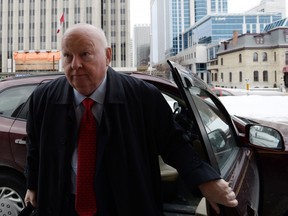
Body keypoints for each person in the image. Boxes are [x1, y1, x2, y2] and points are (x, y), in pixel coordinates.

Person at [24, 23, 238, 216]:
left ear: (108, 56)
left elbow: (174, 144)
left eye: (85, 54)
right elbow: (34, 148)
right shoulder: (43, 98)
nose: (75, 64)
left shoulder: (143, 96)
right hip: (62, 205)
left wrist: (205, 180)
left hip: (124, 206)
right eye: (68, 56)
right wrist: (33, 185)